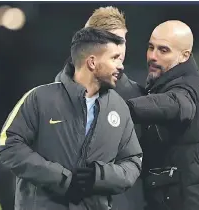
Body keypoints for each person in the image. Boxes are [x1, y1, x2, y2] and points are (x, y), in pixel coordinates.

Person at [0, 27, 142, 210]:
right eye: (114, 58)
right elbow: (8, 145)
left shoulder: (119, 108)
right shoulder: (40, 98)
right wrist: (62, 179)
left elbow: (133, 162)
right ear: (92, 62)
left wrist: (99, 176)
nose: (120, 66)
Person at [119, 20, 199, 210]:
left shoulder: (189, 87)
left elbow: (176, 104)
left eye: (163, 50)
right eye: (151, 47)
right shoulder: (164, 82)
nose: (152, 56)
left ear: (184, 56)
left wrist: (117, 110)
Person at [55, 6, 146, 210]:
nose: (119, 48)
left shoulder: (137, 97)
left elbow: (135, 162)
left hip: (124, 200)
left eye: (122, 41)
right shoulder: (48, 99)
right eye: (114, 40)